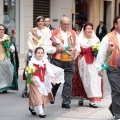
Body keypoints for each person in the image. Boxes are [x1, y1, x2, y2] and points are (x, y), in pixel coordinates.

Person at [47, 16, 80, 109]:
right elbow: (47, 48)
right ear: (60, 24)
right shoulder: (53, 33)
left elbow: (78, 46)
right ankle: (52, 95)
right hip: (57, 61)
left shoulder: (73, 33)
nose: (66, 26)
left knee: (68, 82)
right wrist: (57, 49)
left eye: (68, 24)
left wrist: (75, 50)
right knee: (56, 82)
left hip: (70, 61)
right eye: (64, 24)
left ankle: (66, 102)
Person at [95, 16, 120, 120]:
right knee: (117, 90)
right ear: (116, 25)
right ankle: (118, 114)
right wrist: (99, 68)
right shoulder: (108, 37)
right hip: (113, 67)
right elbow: (102, 53)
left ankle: (113, 107)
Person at [75, 22, 103, 108]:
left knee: (93, 79)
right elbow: (77, 50)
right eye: (87, 28)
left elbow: (100, 51)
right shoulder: (80, 39)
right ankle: (81, 97)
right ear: (84, 30)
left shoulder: (96, 39)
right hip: (83, 62)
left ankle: (92, 100)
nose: (89, 30)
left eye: (91, 28)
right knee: (83, 79)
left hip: (94, 62)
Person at [27, 47, 56, 118]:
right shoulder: (32, 62)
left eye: (41, 53)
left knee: (40, 95)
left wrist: (53, 77)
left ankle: (32, 107)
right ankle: (41, 112)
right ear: (35, 54)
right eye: (38, 53)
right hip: (35, 81)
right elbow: (27, 71)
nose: (40, 54)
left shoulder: (45, 62)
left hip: (43, 80)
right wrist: (30, 76)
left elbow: (48, 69)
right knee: (38, 95)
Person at [0, 24, 18, 93]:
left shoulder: (6, 38)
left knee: (8, 69)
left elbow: (12, 49)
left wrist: (8, 47)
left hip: (5, 57)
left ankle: (4, 86)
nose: (1, 31)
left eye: (2, 29)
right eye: (0, 29)